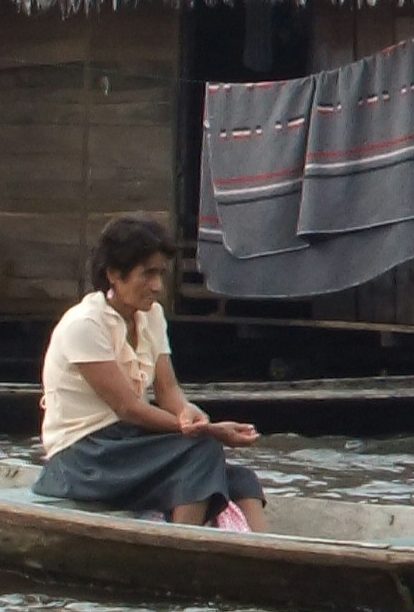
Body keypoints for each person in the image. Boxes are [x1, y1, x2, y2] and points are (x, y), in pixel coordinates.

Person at [36, 214, 268, 527]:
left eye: (160, 273)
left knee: (238, 478)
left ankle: (260, 548)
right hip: (82, 457)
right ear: (115, 275)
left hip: (124, 443)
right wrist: (208, 431)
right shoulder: (84, 325)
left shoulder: (152, 316)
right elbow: (128, 408)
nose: (157, 286)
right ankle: (181, 550)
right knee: (203, 451)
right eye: (147, 274)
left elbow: (167, 390)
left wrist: (193, 416)